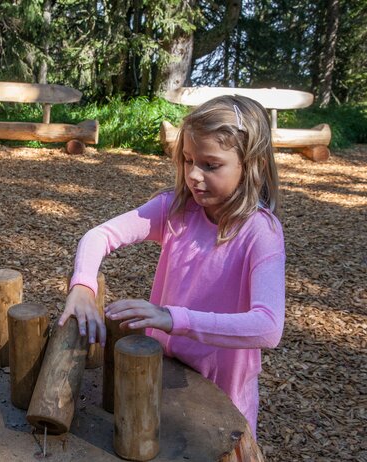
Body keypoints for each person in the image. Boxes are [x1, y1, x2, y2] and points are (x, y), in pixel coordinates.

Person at [59, 95, 285, 437]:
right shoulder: (175, 210)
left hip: (224, 398)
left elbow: (268, 327)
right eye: (188, 160)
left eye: (211, 165)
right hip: (160, 379)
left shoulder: (260, 232)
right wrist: (82, 286)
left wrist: (171, 318)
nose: (193, 174)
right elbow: (99, 235)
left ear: (253, 165)